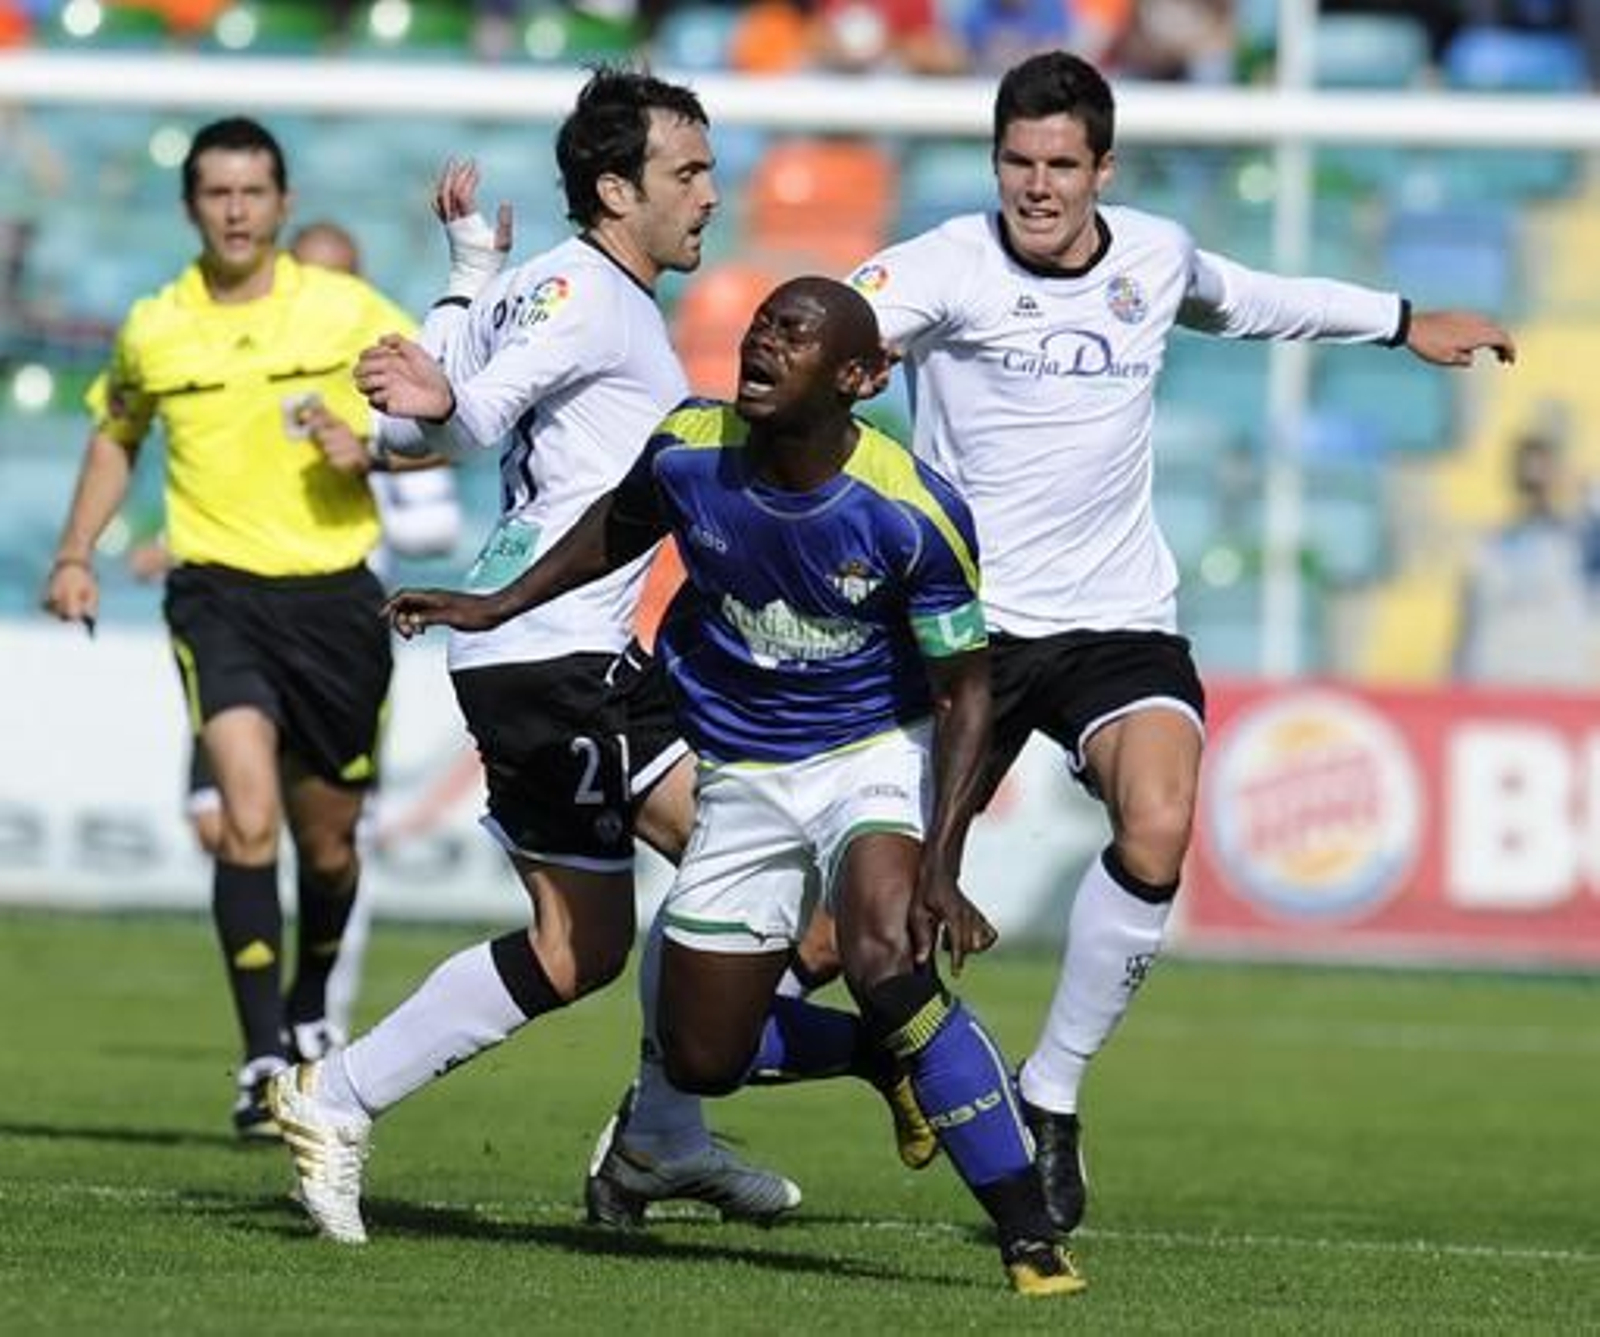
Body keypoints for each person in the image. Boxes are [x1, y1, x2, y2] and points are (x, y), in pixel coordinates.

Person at [836, 49, 1517, 1234]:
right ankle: (666, 1121)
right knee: (834, 938)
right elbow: (821, 325)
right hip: (966, 632)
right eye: (1016, 162)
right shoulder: (941, 266)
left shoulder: (1149, 254)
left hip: (1115, 620)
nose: (1037, 187)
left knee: (1157, 817)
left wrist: (1404, 323)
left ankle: (1047, 1095)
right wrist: (845, 360)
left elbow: (1252, 298)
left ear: (1102, 168)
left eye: (1060, 165)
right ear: (992, 161)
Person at [382, 276, 1086, 1296]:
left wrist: (941, 858)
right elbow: (616, 525)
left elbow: (965, 689)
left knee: (888, 957)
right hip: (741, 769)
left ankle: (1029, 1233)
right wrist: (496, 605)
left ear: (854, 377)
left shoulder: (912, 511)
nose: (761, 344)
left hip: (871, 752)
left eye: (792, 335)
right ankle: (884, 1058)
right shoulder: (689, 445)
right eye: (760, 326)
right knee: (704, 1056)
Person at [262, 67, 803, 1245]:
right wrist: (452, 391)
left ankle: (357, 1095)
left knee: (585, 945)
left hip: (531, 648)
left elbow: (416, 428)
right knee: (754, 875)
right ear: (616, 189)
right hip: (559, 651)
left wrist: (461, 282)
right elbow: (465, 417)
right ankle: (651, 1132)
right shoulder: (585, 291)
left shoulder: (542, 285)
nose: (712, 194)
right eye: (688, 173)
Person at [41, 117, 416, 1137]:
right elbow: (115, 434)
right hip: (217, 597)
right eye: (218, 192)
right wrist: (76, 550)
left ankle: (307, 1010)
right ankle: (260, 1058)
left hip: (336, 597)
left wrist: (374, 446)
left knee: (328, 845)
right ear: (191, 207)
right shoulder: (154, 327)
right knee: (243, 813)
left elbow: (441, 422)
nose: (237, 209)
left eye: (254, 191)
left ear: (283, 203)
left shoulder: (345, 310)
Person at [1454, 422, 1600, 686]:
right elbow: (1467, 622)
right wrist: (1456, 676)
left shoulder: (1578, 541)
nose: (1536, 482)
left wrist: (1584, 488)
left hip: (1561, 683)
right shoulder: (1489, 546)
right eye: (1528, 472)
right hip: (1496, 682)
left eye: (1545, 470)